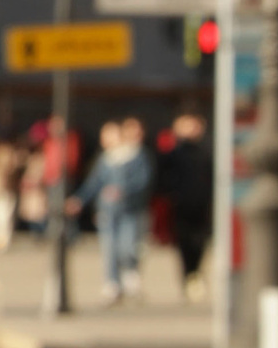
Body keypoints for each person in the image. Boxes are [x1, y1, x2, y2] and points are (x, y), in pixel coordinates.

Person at [88, 115, 154, 305]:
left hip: (131, 209)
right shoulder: (108, 158)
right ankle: (112, 284)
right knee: (109, 248)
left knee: (128, 246)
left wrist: (124, 191)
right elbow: (94, 182)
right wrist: (79, 200)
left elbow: (144, 181)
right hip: (109, 210)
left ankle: (130, 279)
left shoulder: (138, 155)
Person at [157, 108, 212, 297]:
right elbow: (161, 179)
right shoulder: (172, 154)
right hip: (180, 206)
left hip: (203, 206)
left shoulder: (208, 151)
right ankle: (189, 277)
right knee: (184, 244)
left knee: (200, 243)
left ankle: (195, 275)